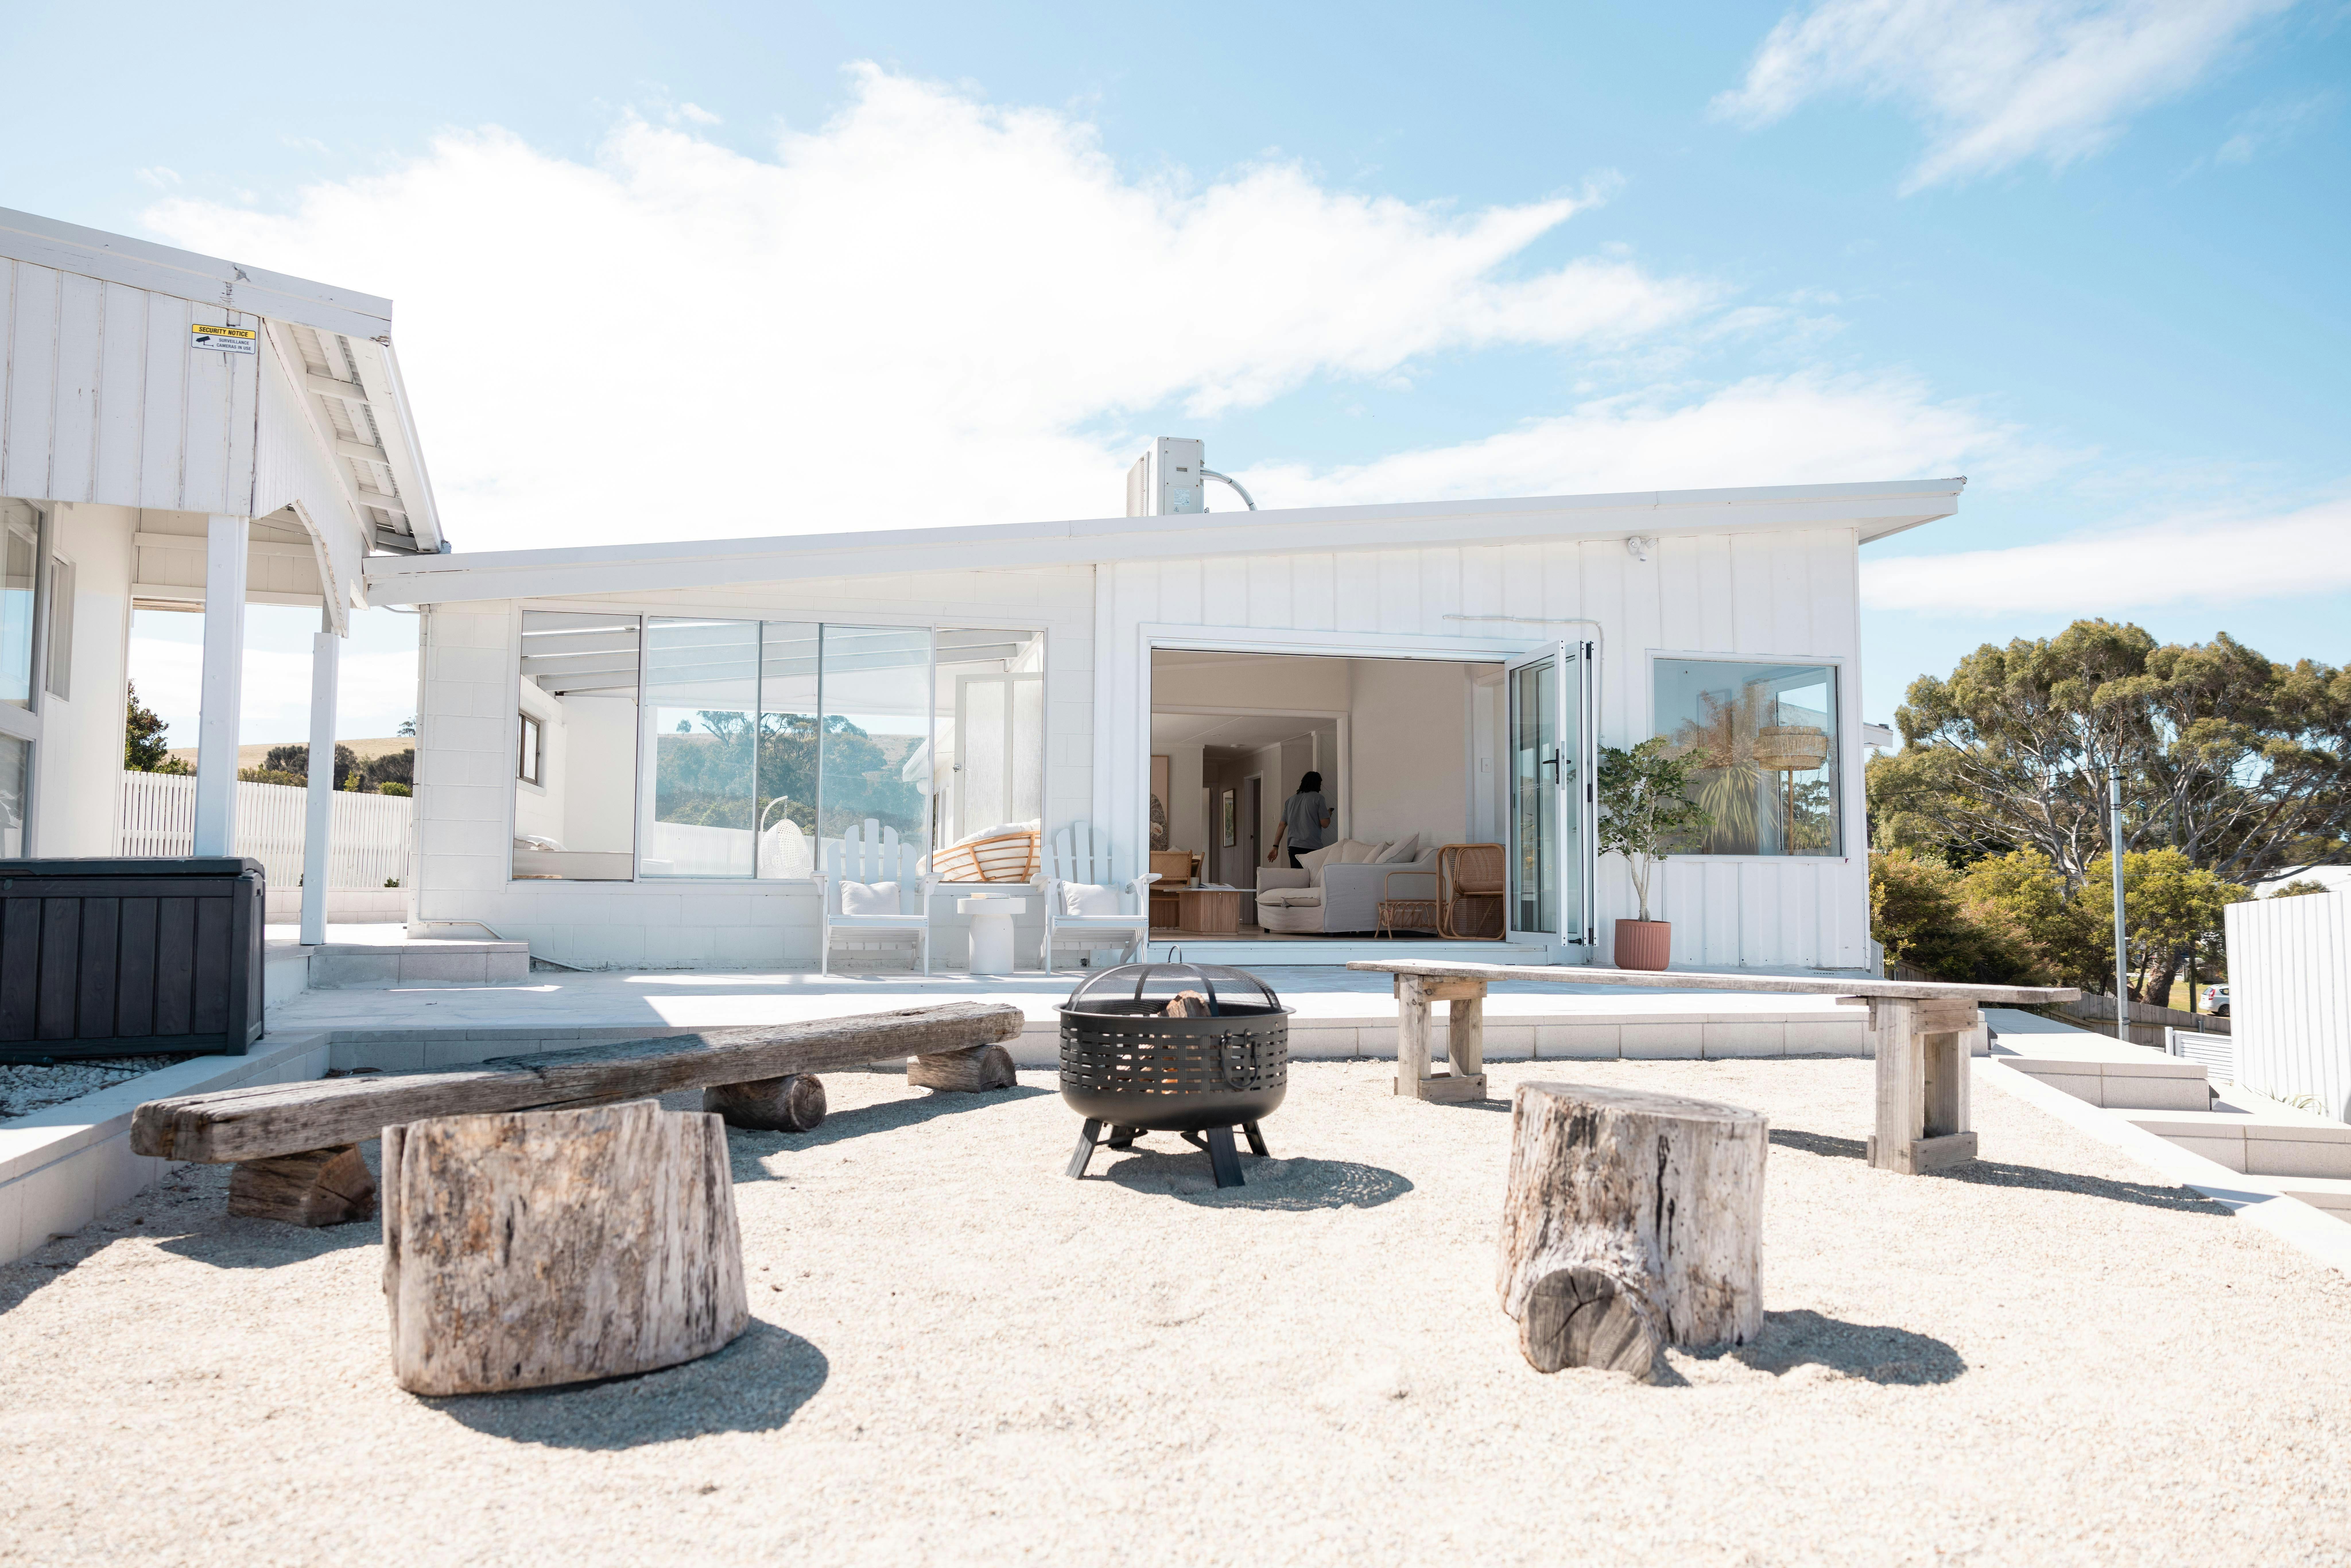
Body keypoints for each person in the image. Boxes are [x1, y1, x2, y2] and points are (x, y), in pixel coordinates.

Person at [1268, 771, 1335, 868]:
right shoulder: (1318, 798)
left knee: (1298, 879)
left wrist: (1276, 846)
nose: (1320, 788)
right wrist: (1328, 815)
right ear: (1316, 784)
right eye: (1320, 784)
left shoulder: (1290, 801)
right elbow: (1325, 824)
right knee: (1312, 880)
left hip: (1293, 848)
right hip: (1312, 847)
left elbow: (1281, 825)